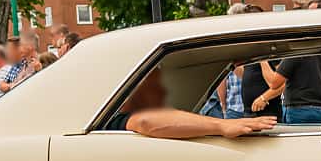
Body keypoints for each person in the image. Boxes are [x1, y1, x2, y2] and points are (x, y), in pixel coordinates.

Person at [108, 66, 276, 138]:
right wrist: (222, 126)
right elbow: (145, 121)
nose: (162, 90)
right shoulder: (114, 120)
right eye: (153, 86)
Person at [245, 52, 321, 124]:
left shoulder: (295, 53)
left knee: (298, 142)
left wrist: (262, 60)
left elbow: (273, 83)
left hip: (299, 111)